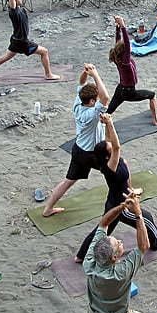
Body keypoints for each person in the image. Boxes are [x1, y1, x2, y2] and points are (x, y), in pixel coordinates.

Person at [74, 192, 157, 313]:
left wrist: (122, 206)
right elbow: (143, 246)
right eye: (118, 244)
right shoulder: (120, 274)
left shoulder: (90, 261)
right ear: (113, 258)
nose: (119, 241)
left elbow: (103, 223)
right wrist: (138, 214)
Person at [75, 113, 157, 262]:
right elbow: (117, 145)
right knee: (147, 218)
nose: (111, 144)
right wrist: (111, 122)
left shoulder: (113, 160)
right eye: (109, 146)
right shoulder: (109, 167)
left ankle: (80, 256)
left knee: (102, 229)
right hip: (121, 205)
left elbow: (111, 141)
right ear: (107, 156)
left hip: (114, 200)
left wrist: (106, 124)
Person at [43, 64, 110, 217]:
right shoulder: (92, 114)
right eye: (96, 98)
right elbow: (105, 97)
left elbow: (81, 84)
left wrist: (85, 73)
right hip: (93, 154)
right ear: (92, 101)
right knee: (118, 169)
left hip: (78, 149)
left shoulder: (79, 103)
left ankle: (48, 209)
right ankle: (128, 194)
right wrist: (95, 74)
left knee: (68, 181)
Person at [106, 15, 157, 125]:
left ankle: (100, 122)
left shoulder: (117, 57)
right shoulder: (125, 61)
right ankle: (156, 120)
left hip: (120, 89)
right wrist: (123, 26)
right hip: (129, 92)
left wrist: (118, 27)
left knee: (109, 111)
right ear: (125, 51)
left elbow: (118, 41)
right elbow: (127, 43)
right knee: (152, 95)